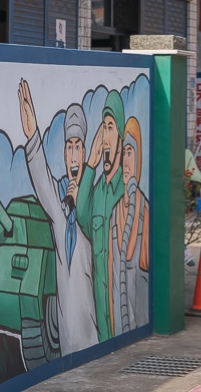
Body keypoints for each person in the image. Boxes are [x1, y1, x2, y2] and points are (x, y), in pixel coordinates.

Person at [17, 81, 99, 354]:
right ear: (64, 155)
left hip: (96, 335)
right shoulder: (60, 201)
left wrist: (81, 199)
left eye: (78, 147)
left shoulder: (94, 201)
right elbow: (42, 180)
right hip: (67, 338)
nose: (73, 155)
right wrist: (32, 135)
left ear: (85, 153)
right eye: (69, 148)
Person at [77, 90, 126, 341]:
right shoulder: (99, 191)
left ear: (120, 137)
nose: (105, 137)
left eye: (110, 127)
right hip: (102, 329)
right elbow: (82, 216)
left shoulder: (125, 190)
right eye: (103, 128)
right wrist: (90, 165)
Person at [110, 117, 150, 335]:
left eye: (131, 153)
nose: (126, 162)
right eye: (123, 152)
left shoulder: (145, 212)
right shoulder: (114, 214)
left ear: (139, 158)